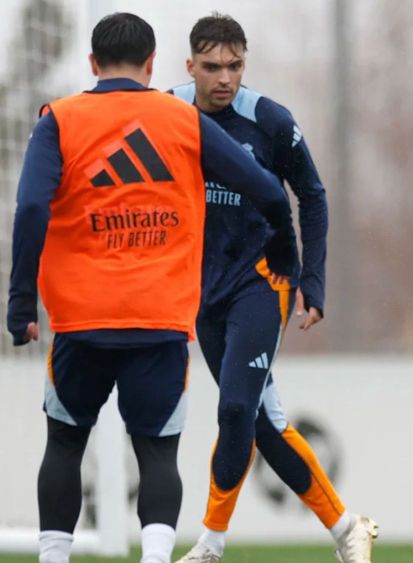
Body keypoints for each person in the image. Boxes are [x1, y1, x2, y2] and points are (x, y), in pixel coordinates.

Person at [5, 13, 297, 563]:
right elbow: (267, 189)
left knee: (66, 442)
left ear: (93, 65)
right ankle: (158, 558)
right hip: (159, 322)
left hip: (80, 323)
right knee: (158, 454)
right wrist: (283, 245)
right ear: (150, 64)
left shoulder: (59, 120)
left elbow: (31, 209)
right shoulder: (181, 119)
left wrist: (21, 300)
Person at [169, 14, 376, 563]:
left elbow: (312, 195)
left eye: (235, 66)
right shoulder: (167, 113)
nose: (225, 78)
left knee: (236, 410)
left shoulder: (270, 121)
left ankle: (210, 544)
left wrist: (313, 279)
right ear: (190, 67)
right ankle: (347, 527)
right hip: (203, 292)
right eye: (211, 67)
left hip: (264, 284)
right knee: (261, 422)